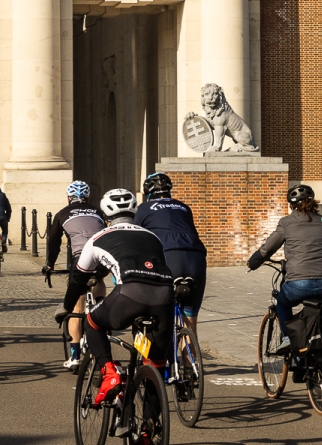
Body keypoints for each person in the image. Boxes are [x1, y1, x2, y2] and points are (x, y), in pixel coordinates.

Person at [77, 188, 175, 406]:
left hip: (130, 296)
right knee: (155, 366)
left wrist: (67, 305)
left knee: (92, 322)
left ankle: (109, 373)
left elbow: (79, 276)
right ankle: (148, 434)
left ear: (105, 216)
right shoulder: (153, 236)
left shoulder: (98, 237)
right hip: (165, 299)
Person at [246, 184, 322, 361]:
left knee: (282, 303)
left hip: (299, 282)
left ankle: (287, 339)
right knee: (321, 311)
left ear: (291, 205)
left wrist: (253, 262)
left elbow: (267, 249)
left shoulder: (286, 223)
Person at [42, 180, 107, 371]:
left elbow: (53, 242)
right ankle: (101, 304)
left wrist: (49, 265)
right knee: (98, 279)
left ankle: (75, 357)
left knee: (76, 308)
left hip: (80, 260)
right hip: (102, 258)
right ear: (88, 197)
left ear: (68, 198)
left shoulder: (62, 213)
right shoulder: (97, 212)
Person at [134, 173, 207, 341]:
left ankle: (160, 360)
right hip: (195, 257)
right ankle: (190, 367)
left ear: (148, 194)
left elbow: (135, 238)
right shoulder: (183, 207)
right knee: (190, 320)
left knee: (156, 312)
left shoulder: (143, 209)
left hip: (167, 254)